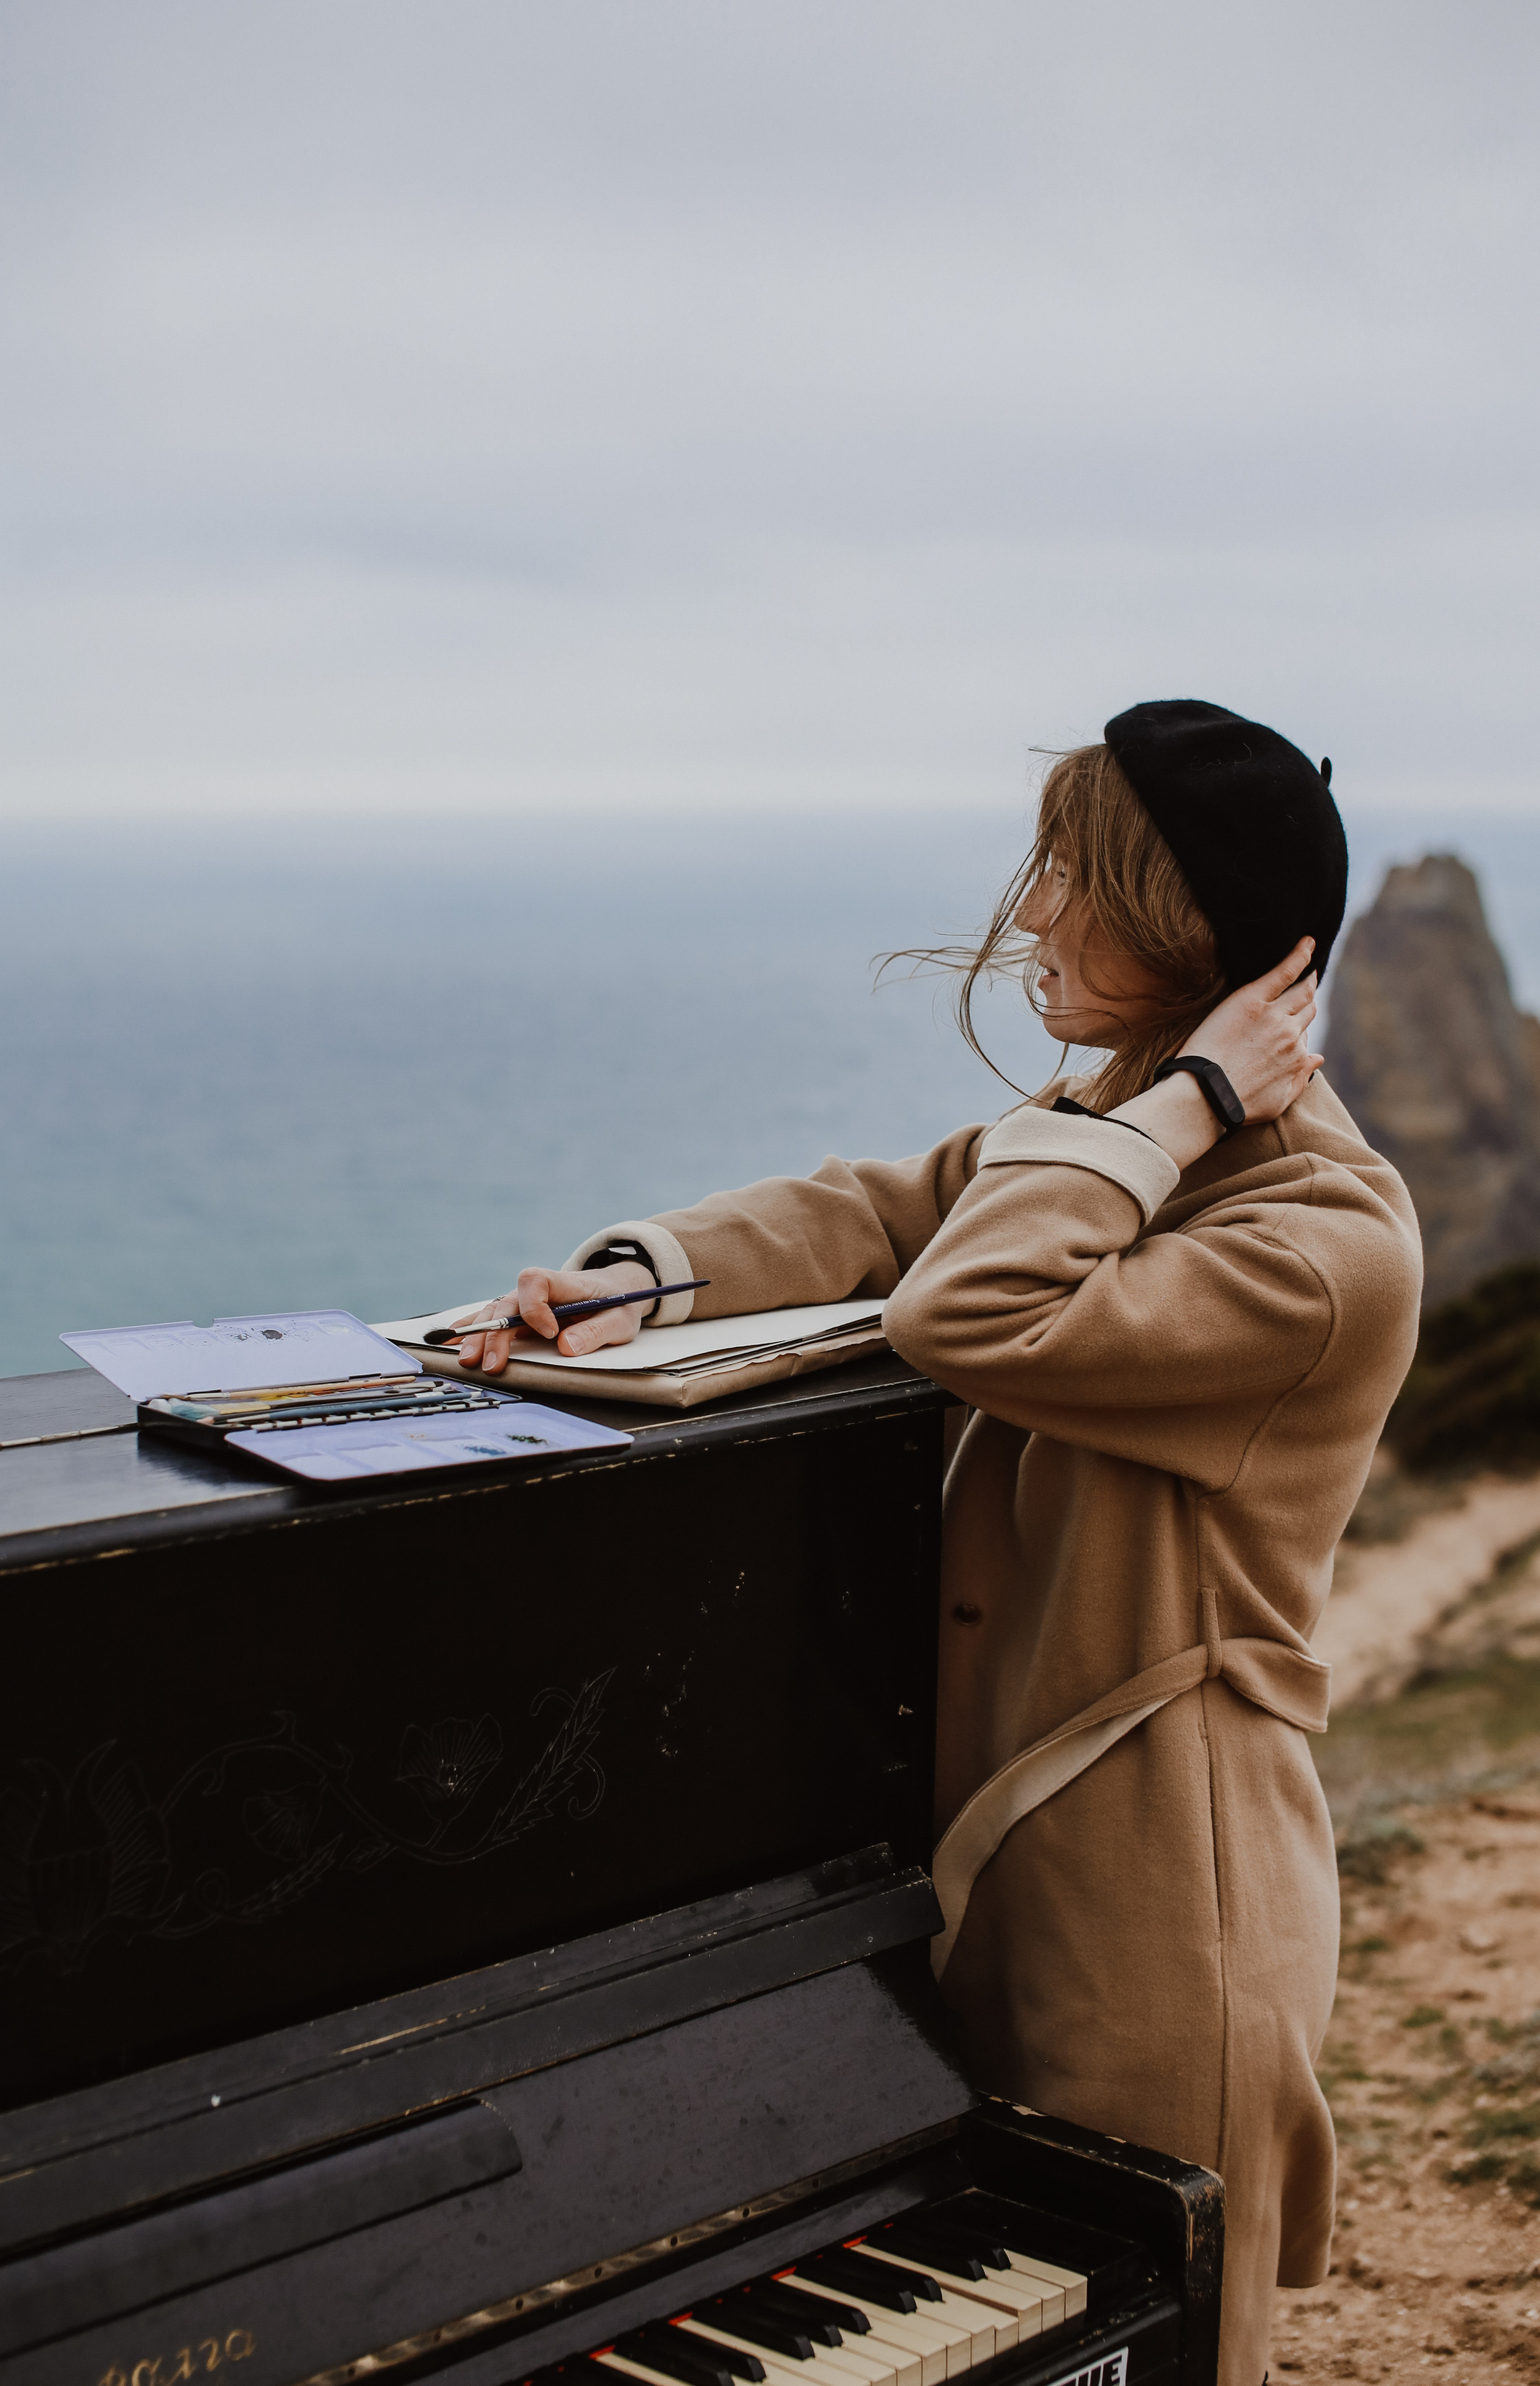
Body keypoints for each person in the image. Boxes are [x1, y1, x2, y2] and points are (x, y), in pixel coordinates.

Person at [454, 700, 1423, 2384]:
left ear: (1189, 927)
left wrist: (1176, 1109)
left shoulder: (1318, 1241)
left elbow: (972, 1306)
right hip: (983, 1860)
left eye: (1077, 877)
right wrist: (644, 1277)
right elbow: (895, 1208)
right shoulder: (1125, 1133)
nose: (1034, 914)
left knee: (1142, 2348)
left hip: (1152, 1899)